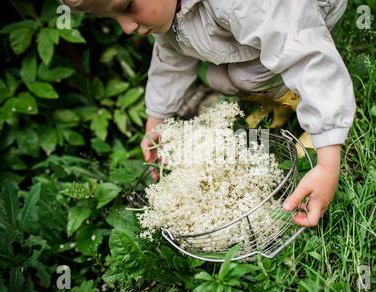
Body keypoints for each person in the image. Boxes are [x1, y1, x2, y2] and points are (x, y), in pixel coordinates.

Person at [62, 0, 356, 228]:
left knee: (255, 72)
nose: (127, 27)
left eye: (127, 7)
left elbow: (303, 52)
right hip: (256, 20)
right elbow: (170, 58)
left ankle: (313, 109)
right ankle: (283, 99)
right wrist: (156, 121)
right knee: (221, 79)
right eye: (112, 18)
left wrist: (327, 163)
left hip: (302, 13)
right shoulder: (167, 8)